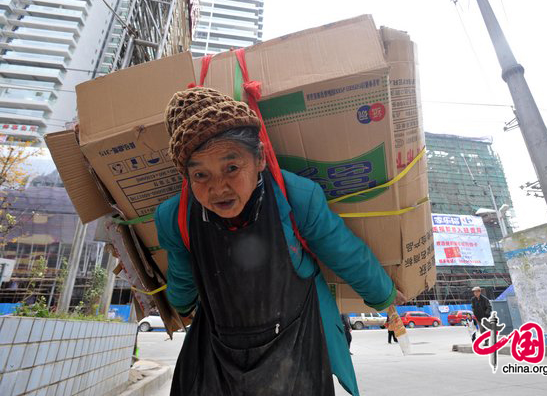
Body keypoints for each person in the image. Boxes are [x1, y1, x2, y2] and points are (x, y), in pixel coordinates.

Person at [154, 87, 407, 396]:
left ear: (259, 157)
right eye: (201, 176)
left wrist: (383, 295)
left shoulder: (297, 198)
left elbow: (344, 252)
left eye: (231, 168)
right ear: (187, 178)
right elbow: (182, 275)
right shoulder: (174, 218)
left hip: (296, 344)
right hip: (219, 351)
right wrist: (180, 303)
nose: (218, 188)